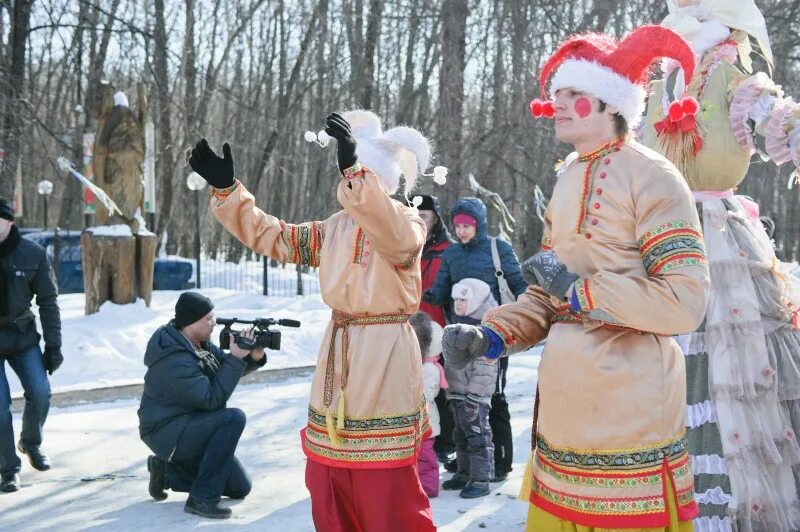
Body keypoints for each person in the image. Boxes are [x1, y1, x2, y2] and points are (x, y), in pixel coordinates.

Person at [443, 25, 711, 530]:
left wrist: (582, 290)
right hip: (562, 423)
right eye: (557, 93)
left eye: (573, 94)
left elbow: (684, 301)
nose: (557, 103)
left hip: (629, 416)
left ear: (612, 104)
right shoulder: (567, 178)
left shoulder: (653, 175)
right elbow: (547, 294)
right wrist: (491, 334)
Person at [191, 110, 438, 531]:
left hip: (384, 358)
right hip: (338, 357)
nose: (349, 183)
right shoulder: (333, 228)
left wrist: (354, 171)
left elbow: (395, 240)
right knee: (329, 477)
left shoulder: (408, 223)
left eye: (359, 176)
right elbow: (275, 236)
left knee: (383, 485)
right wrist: (228, 190)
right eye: (348, 175)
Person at [641, 3, 800, 529]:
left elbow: (775, 116)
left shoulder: (733, 71)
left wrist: (793, 130)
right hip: (659, 234)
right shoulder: (665, 77)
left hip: (717, 238)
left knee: (723, 364)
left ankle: (724, 506)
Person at [424, 196, 527, 482]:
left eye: (467, 225)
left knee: (492, 395)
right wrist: (433, 294)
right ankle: (469, 460)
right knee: (460, 399)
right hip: (459, 337)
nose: (461, 231)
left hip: (495, 333)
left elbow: (518, 283)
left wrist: (528, 306)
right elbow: (442, 286)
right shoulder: (452, 254)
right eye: (457, 226)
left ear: (478, 224)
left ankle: (500, 461)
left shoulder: (498, 248)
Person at [137, 292, 265, 519]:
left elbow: (225, 371)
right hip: (166, 431)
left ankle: (166, 473)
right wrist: (236, 358)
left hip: (190, 423)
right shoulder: (174, 359)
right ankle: (202, 499)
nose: (213, 323)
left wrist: (250, 357)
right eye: (208, 318)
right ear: (190, 321)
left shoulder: (197, 344)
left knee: (240, 487)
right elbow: (210, 399)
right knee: (233, 418)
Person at [0, 196, 62, 493]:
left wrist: (53, 346)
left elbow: (48, 302)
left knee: (41, 392)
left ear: (9, 222)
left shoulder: (32, 253)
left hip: (22, 337)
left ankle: (30, 443)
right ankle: (8, 468)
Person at [406, 193, 457, 465]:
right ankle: (414, 440)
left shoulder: (449, 250)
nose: (419, 221)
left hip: (441, 331)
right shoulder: (403, 249)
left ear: (435, 219)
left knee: (442, 388)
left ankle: (446, 442)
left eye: (423, 216)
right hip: (408, 330)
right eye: (415, 217)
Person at [441, 278, 498, 498]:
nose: (458, 304)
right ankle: (464, 473)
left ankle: (481, 479)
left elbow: (486, 368)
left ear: (476, 301)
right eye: (456, 299)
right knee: (461, 436)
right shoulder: (456, 326)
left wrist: (475, 396)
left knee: (478, 437)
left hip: (475, 397)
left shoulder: (483, 333)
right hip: (457, 393)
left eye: (464, 299)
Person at [410, 311, 445, 499]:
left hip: (426, 421)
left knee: (426, 456)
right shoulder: (412, 365)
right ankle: (415, 485)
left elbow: (428, 394)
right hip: (412, 421)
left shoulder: (431, 369)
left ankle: (429, 487)